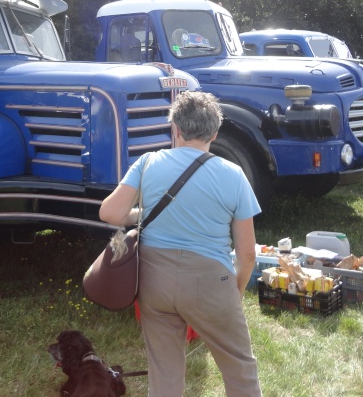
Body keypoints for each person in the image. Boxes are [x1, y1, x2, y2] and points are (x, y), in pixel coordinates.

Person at [99, 91, 262, 397]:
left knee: (164, 374)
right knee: (240, 368)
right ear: (214, 133)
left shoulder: (147, 163)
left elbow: (110, 213)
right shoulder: (234, 174)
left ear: (173, 128)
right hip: (211, 282)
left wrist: (142, 212)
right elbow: (247, 253)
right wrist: (235, 292)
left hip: (154, 281)